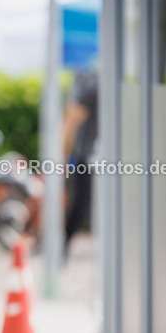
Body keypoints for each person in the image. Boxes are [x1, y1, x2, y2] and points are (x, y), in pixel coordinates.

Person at [62, 66, 98, 251]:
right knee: (80, 206)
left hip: (89, 154)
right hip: (87, 155)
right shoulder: (94, 84)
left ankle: (61, 248)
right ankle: (61, 248)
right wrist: (63, 155)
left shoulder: (88, 81)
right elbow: (72, 118)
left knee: (81, 206)